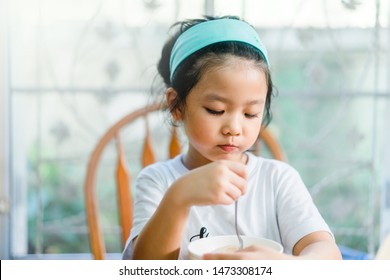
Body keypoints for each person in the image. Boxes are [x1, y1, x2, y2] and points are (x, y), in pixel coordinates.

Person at [122, 15, 342, 260]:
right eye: (216, 110)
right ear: (177, 106)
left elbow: (328, 255)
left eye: (250, 113)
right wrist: (178, 198)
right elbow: (144, 267)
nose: (234, 128)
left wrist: (286, 266)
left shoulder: (278, 180)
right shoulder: (158, 181)